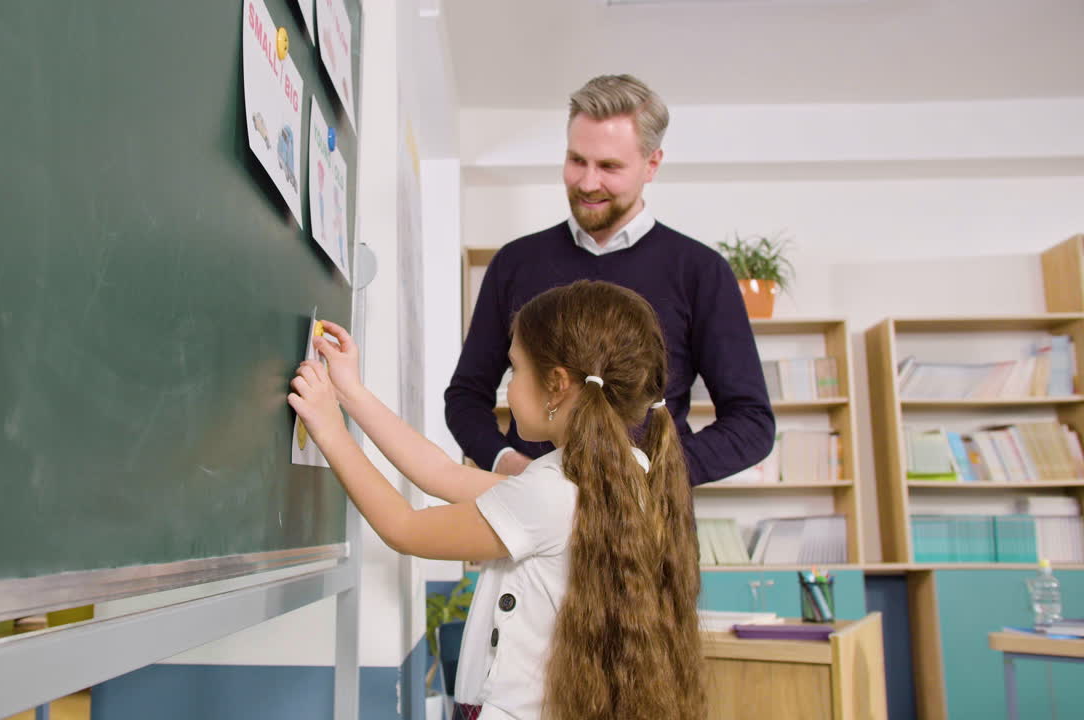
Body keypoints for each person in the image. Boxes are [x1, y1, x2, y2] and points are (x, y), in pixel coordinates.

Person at [289, 281, 704, 720]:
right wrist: (351, 392)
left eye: (515, 369)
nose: (509, 386)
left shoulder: (550, 493)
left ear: (557, 384)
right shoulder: (617, 473)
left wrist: (331, 431)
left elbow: (405, 529)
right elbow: (442, 475)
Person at [445, 74, 774, 486]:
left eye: (609, 167)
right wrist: (508, 463)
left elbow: (752, 424)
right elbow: (464, 397)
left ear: (651, 164)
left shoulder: (701, 271)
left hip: (650, 531)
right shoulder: (514, 263)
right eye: (577, 160)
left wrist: (641, 475)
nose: (587, 183)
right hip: (529, 514)